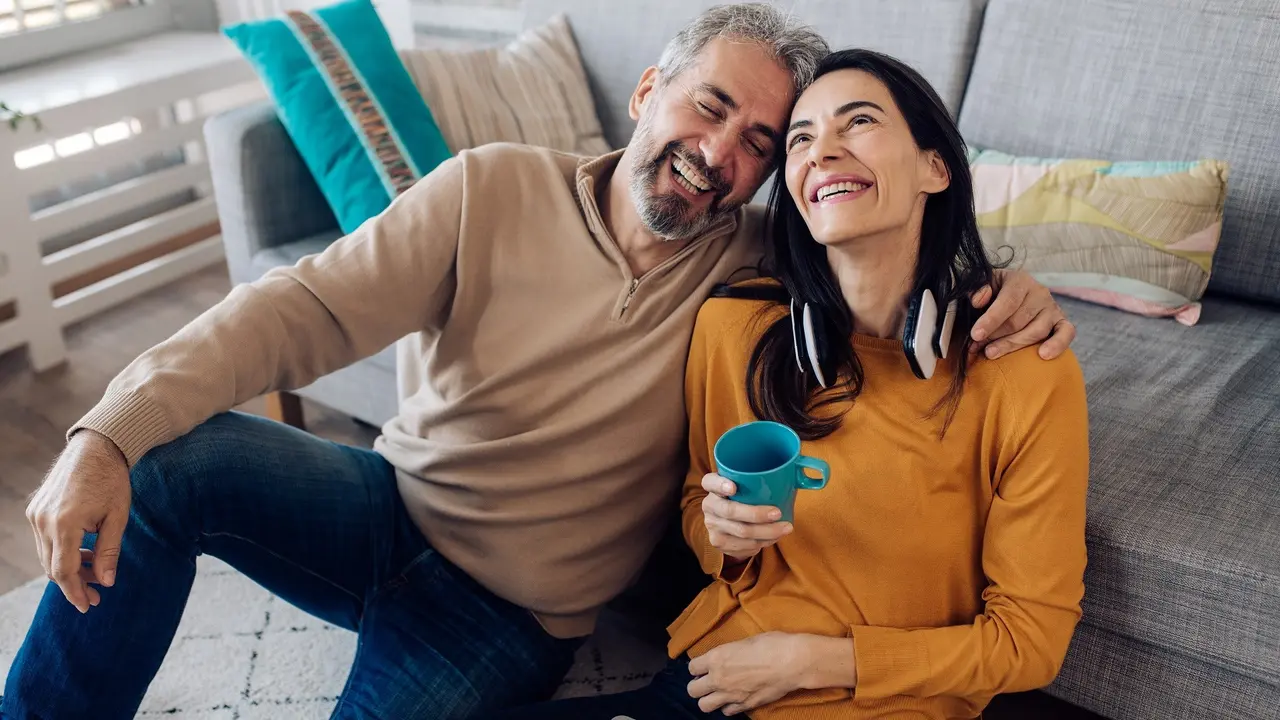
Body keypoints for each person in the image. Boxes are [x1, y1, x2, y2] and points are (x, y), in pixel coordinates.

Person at [3, 7, 1076, 720]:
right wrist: (106, 430)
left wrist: (1006, 287)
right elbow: (303, 307)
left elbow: (883, 249)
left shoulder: (753, 266)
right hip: (381, 507)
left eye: (760, 141)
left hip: (510, 617)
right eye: (710, 107)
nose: (722, 155)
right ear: (646, 89)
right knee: (160, 464)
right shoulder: (490, 187)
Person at [497, 48, 1089, 720]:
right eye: (800, 139)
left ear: (935, 166)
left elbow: (1030, 642)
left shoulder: (1020, 367)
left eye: (858, 122)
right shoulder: (735, 326)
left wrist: (812, 660)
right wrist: (720, 533)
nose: (822, 152)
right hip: (715, 681)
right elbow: (699, 498)